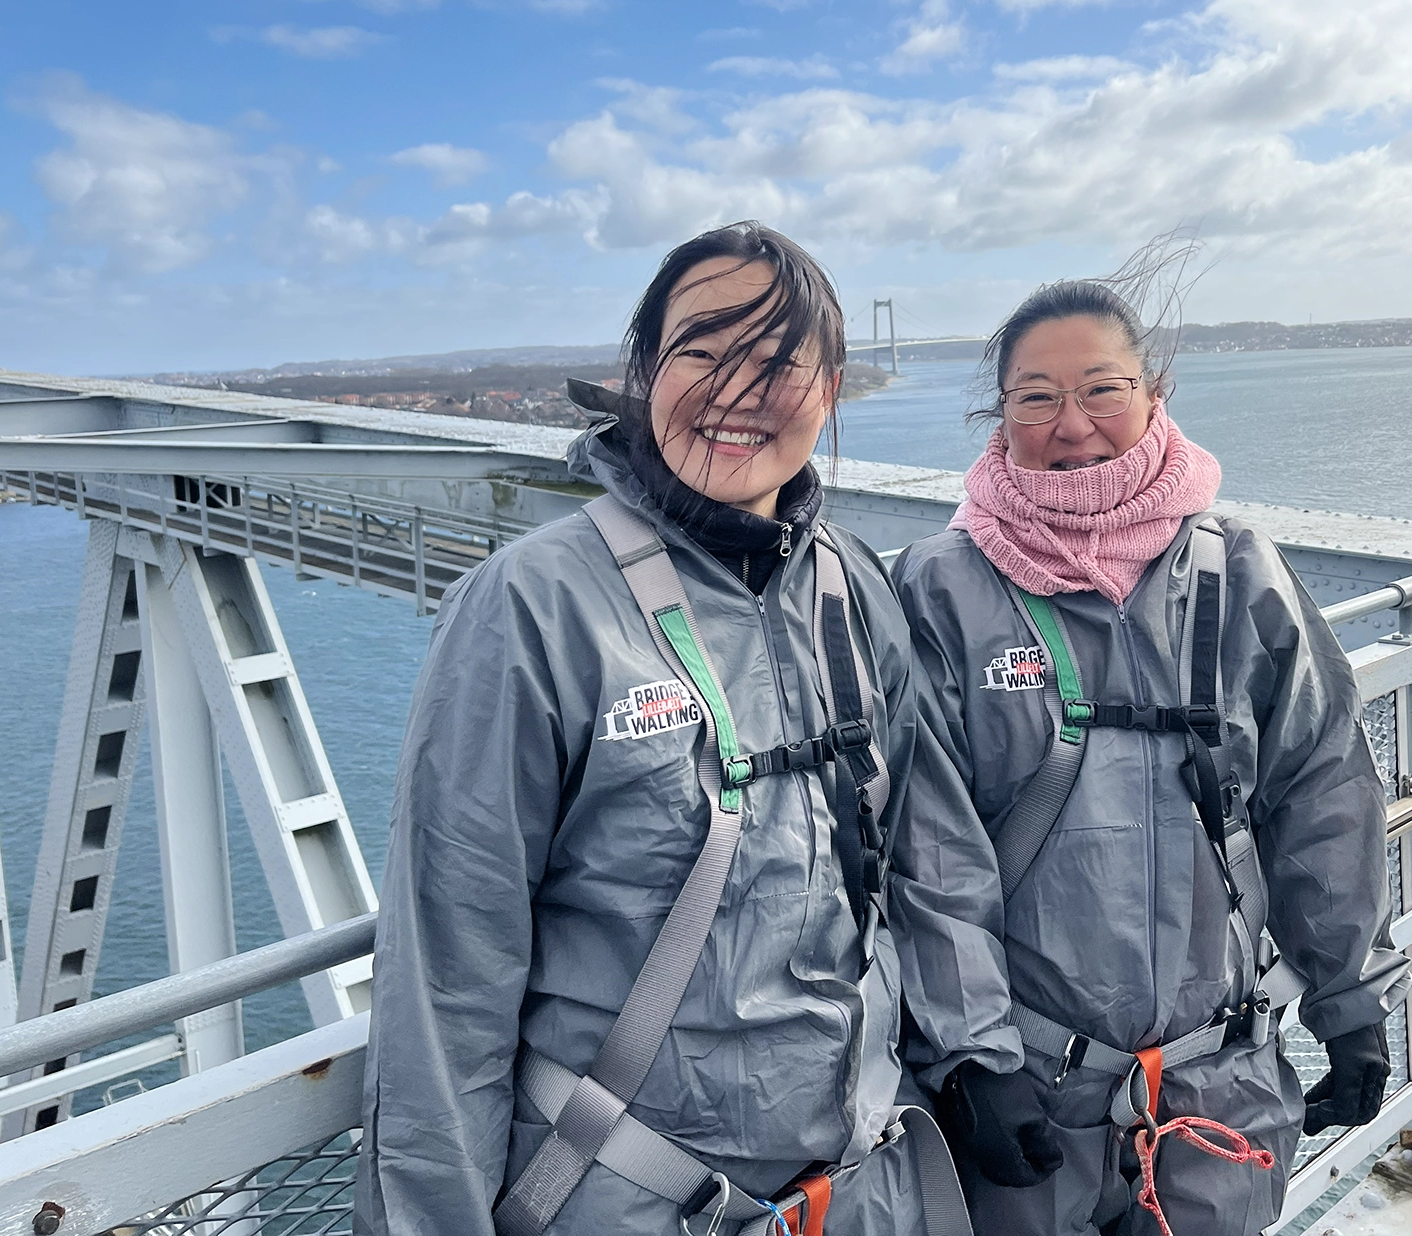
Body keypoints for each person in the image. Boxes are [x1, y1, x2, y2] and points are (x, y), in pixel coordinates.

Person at [357, 222, 1018, 1236]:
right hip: (627, 1199)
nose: (735, 390)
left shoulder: (851, 587)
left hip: (863, 1189)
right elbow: (448, 962)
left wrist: (975, 1051)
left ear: (829, 391)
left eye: (776, 361)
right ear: (644, 374)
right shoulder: (530, 605)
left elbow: (928, 846)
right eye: (701, 351)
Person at [890, 258, 1409, 1235]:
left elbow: (1322, 788)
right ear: (998, 415)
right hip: (1029, 1087)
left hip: (1219, 1085)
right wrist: (971, 1057)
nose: (1071, 424)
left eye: (1102, 389)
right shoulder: (938, 590)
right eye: (1035, 397)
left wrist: (1350, 999)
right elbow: (927, 846)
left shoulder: (1238, 571)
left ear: (1152, 391)